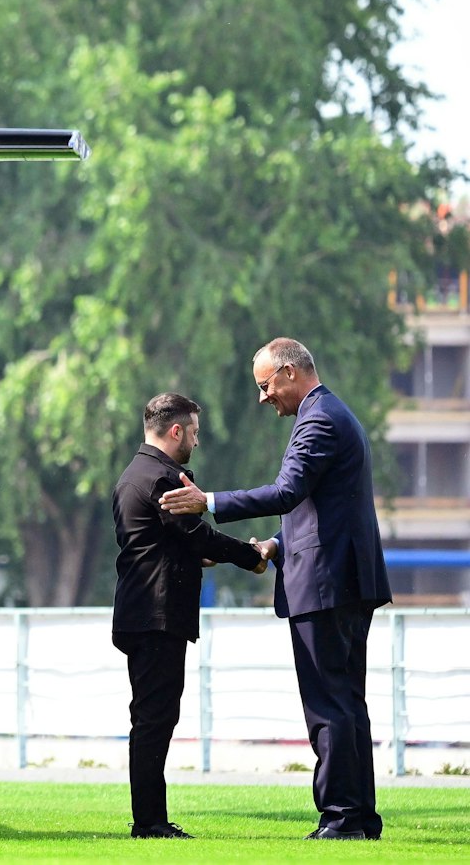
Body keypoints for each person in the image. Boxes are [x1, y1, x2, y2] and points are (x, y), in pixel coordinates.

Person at [159, 339, 392, 840]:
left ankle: (341, 819)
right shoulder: (331, 413)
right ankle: (359, 816)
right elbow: (319, 511)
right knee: (349, 703)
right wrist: (276, 544)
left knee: (328, 705)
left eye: (266, 386)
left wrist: (210, 501)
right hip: (346, 579)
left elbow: (288, 491)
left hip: (327, 584)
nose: (264, 399)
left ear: (289, 372)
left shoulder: (318, 419)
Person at [113, 392, 267, 840]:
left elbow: (159, 543)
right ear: (176, 430)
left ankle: (150, 818)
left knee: (150, 716)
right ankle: (150, 822)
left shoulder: (132, 475)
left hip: (138, 610)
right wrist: (251, 556)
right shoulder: (163, 478)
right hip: (158, 614)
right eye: (194, 432)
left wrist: (196, 555)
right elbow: (195, 533)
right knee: (155, 718)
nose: (197, 442)